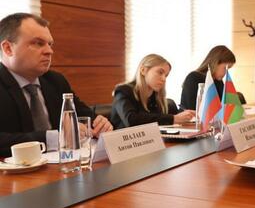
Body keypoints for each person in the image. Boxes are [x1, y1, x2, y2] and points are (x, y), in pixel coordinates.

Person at [0, 13, 113, 157]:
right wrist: (56, 138)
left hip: (62, 165)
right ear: (8, 48)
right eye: (38, 43)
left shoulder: (55, 80)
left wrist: (100, 125)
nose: (49, 51)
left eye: (50, 44)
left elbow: (84, 115)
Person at [110, 54, 195, 129]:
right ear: (143, 70)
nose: (164, 79)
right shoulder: (123, 91)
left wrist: (187, 116)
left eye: (166, 75)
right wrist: (173, 119)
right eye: (160, 72)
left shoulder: (156, 98)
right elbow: (131, 120)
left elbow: (163, 119)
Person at [180, 45, 236, 110]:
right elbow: (193, 109)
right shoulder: (193, 78)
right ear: (215, 63)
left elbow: (224, 106)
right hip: (191, 116)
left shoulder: (218, 82)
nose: (226, 73)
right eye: (225, 68)